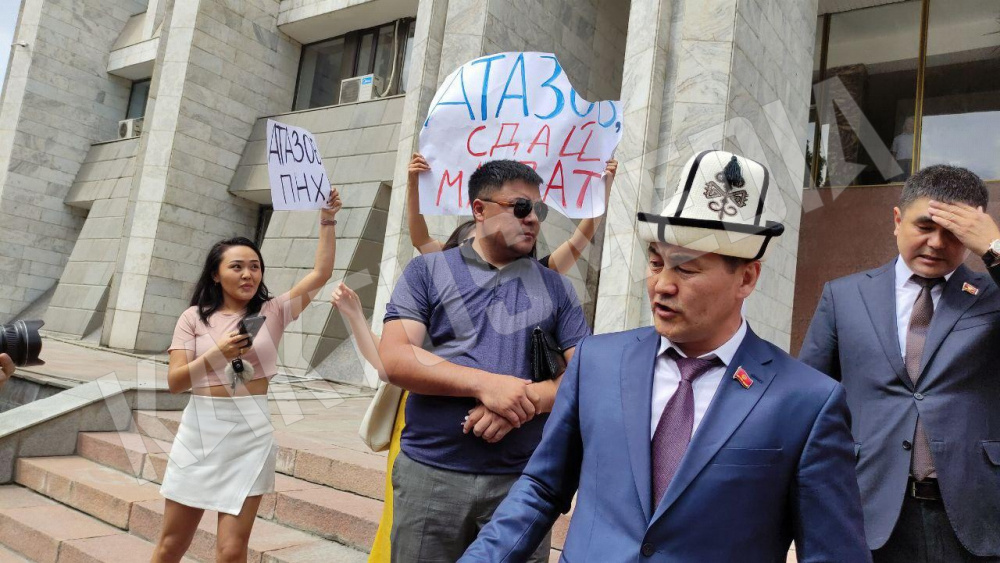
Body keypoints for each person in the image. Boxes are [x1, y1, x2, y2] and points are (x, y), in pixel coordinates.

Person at [460, 150, 869, 562]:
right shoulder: (597, 362)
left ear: (746, 278)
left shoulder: (807, 401)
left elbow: (834, 553)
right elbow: (542, 489)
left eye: (686, 270)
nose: (661, 285)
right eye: (656, 264)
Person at [362, 153, 616, 562]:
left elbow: (584, 374)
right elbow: (395, 359)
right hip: (431, 476)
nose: (533, 218)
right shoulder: (427, 272)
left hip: (523, 486)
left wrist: (522, 402)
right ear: (479, 210)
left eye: (539, 209)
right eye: (521, 207)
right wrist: (486, 384)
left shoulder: (556, 288)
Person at [800, 164, 1000, 562]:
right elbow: (807, 400)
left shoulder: (990, 296)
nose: (937, 243)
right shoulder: (844, 297)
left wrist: (995, 247)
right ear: (897, 219)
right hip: (867, 509)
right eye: (925, 226)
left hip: (975, 513)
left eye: (954, 232)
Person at [151, 190, 342, 563]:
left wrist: (327, 218)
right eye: (237, 266)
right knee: (171, 544)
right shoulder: (193, 318)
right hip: (200, 430)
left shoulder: (274, 311)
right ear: (216, 274)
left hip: (250, 431)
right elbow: (176, 382)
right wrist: (218, 353)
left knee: (232, 550)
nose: (248, 274)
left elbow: (321, 273)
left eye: (254, 266)